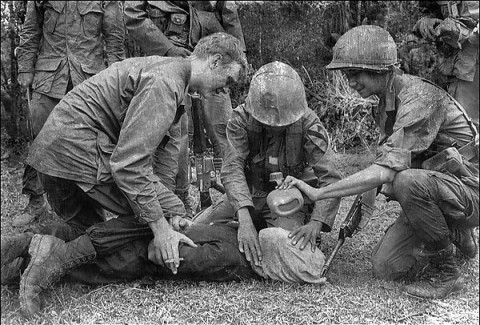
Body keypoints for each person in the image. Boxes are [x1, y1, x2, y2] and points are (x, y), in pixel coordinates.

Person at [9, 32, 247, 317]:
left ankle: (23, 248)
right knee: (145, 215)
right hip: (75, 150)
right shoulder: (165, 83)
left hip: (57, 151)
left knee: (90, 240)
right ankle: (49, 263)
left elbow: (138, 161)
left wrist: (171, 211)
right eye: (228, 80)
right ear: (215, 61)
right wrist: (161, 230)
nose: (224, 90)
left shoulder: (168, 73)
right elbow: (129, 165)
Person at [279, 25, 478, 299]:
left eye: (354, 74)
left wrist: (320, 192)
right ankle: (454, 230)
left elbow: (387, 171)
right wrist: (357, 213)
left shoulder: (420, 98)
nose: (350, 82)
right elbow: (383, 161)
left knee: (406, 181)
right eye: (347, 74)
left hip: (470, 189)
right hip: (442, 185)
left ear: (380, 69)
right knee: (386, 267)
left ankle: (445, 271)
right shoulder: (385, 103)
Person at [192, 61, 341, 282]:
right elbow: (232, 169)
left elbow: (331, 178)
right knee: (195, 232)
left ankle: (259, 232)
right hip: (248, 194)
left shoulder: (308, 123)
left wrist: (316, 224)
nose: (275, 126)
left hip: (287, 201)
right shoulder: (241, 120)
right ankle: (243, 228)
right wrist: (244, 219)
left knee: (282, 246)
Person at [124, 1, 247, 213]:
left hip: (214, 56)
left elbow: (229, 12)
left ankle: (239, 201)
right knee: (174, 138)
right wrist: (168, 49)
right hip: (169, 56)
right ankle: (175, 202)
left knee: (226, 135)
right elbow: (133, 14)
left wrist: (239, 56)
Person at [14, 1, 125, 227]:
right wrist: (25, 68)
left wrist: (117, 77)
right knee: (39, 137)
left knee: (89, 147)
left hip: (89, 81)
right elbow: (31, 31)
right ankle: (36, 201)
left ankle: (89, 208)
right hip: (48, 80)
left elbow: (114, 37)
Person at [413, 0, 479, 128]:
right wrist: (426, 21)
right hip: (453, 69)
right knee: (461, 129)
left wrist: (461, 31)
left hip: (473, 67)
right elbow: (426, 11)